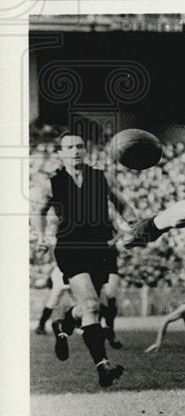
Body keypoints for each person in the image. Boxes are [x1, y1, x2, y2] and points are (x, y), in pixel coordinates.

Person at [30, 132, 138, 387]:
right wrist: (42, 235)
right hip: (70, 247)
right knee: (90, 305)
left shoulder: (101, 176)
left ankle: (63, 323)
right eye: (69, 146)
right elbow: (38, 212)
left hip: (100, 248)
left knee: (91, 307)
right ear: (60, 153)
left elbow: (123, 205)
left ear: (85, 150)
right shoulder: (51, 183)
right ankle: (103, 367)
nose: (76, 150)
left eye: (80, 146)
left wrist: (133, 225)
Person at [35, 263, 71, 335]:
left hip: (70, 272)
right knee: (53, 300)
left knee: (77, 301)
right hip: (61, 272)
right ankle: (41, 326)